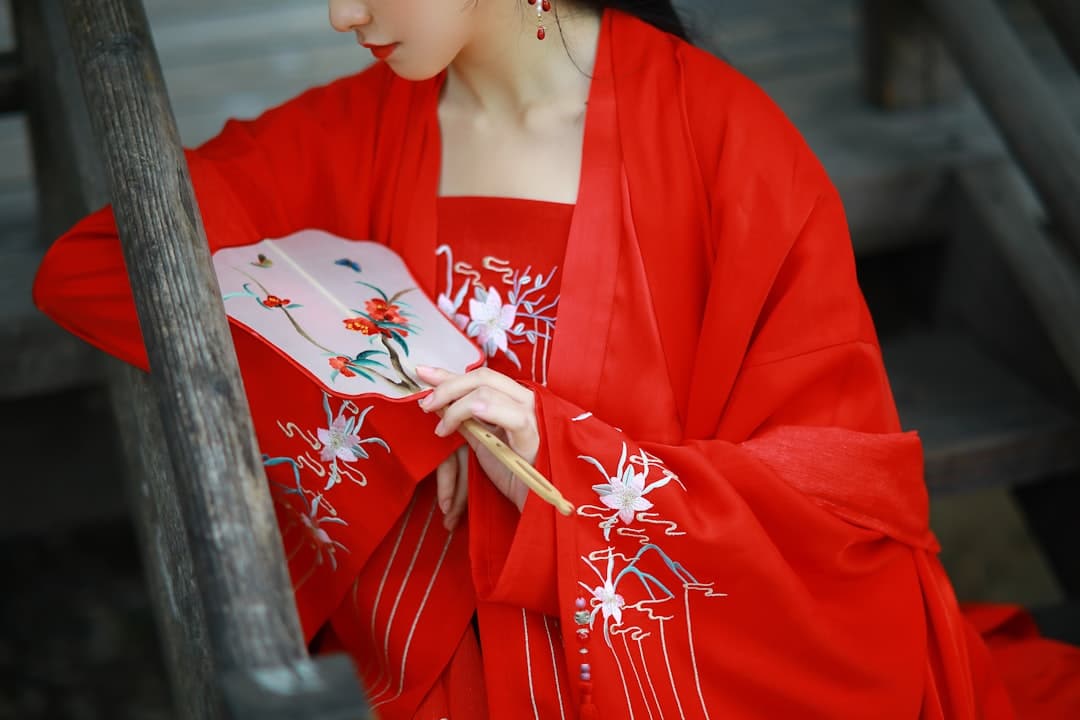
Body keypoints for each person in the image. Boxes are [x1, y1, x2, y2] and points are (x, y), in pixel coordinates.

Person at [31, 1, 1080, 717]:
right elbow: (97, 269)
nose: (341, 16)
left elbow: (846, 500)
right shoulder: (341, 138)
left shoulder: (725, 145)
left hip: (658, 670)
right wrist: (406, 399)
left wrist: (563, 456)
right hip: (450, 679)